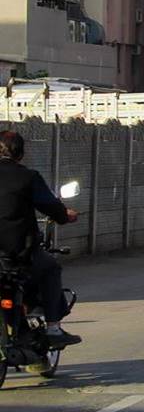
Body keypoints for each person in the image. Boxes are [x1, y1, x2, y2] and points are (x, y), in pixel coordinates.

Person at [0, 131, 81, 348]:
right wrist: (66, 215)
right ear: (21, 153)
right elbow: (51, 206)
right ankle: (53, 327)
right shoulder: (28, 177)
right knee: (51, 268)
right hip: (17, 255)